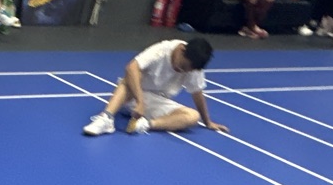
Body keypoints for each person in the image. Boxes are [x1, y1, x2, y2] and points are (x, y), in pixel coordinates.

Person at [81, 36, 227, 136]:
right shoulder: (162, 50)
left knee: (193, 116)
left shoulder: (194, 66)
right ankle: (106, 118)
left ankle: (145, 125)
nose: (182, 71)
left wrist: (207, 122)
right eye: (183, 66)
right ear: (182, 50)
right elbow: (131, 67)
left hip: (156, 101)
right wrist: (140, 102)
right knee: (128, 79)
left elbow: (197, 93)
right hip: (132, 95)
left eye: (187, 70)